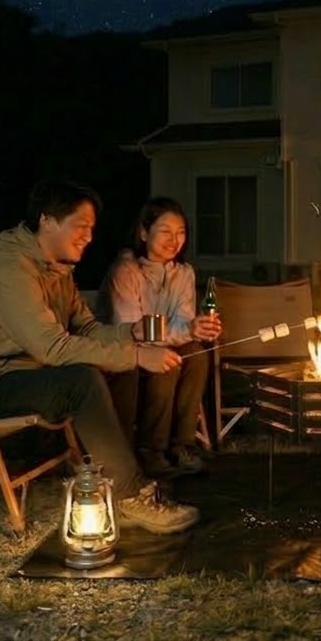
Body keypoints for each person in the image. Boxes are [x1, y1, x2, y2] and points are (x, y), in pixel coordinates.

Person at [0, 180, 198, 534]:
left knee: (112, 365)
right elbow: (54, 347)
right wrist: (135, 355)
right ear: (48, 222)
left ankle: (119, 466)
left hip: (14, 375)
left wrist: (131, 336)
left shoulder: (57, 271)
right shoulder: (11, 272)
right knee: (82, 379)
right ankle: (127, 494)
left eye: (92, 228)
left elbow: (87, 329)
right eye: (82, 226)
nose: (89, 237)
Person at [95, 196, 221, 477]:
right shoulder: (125, 272)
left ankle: (182, 445)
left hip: (161, 347)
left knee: (196, 353)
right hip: (123, 354)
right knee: (169, 361)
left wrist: (196, 328)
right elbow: (131, 329)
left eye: (181, 233)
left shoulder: (184, 273)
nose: (174, 240)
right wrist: (185, 331)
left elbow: (183, 319)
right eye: (165, 231)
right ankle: (151, 450)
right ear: (143, 232)